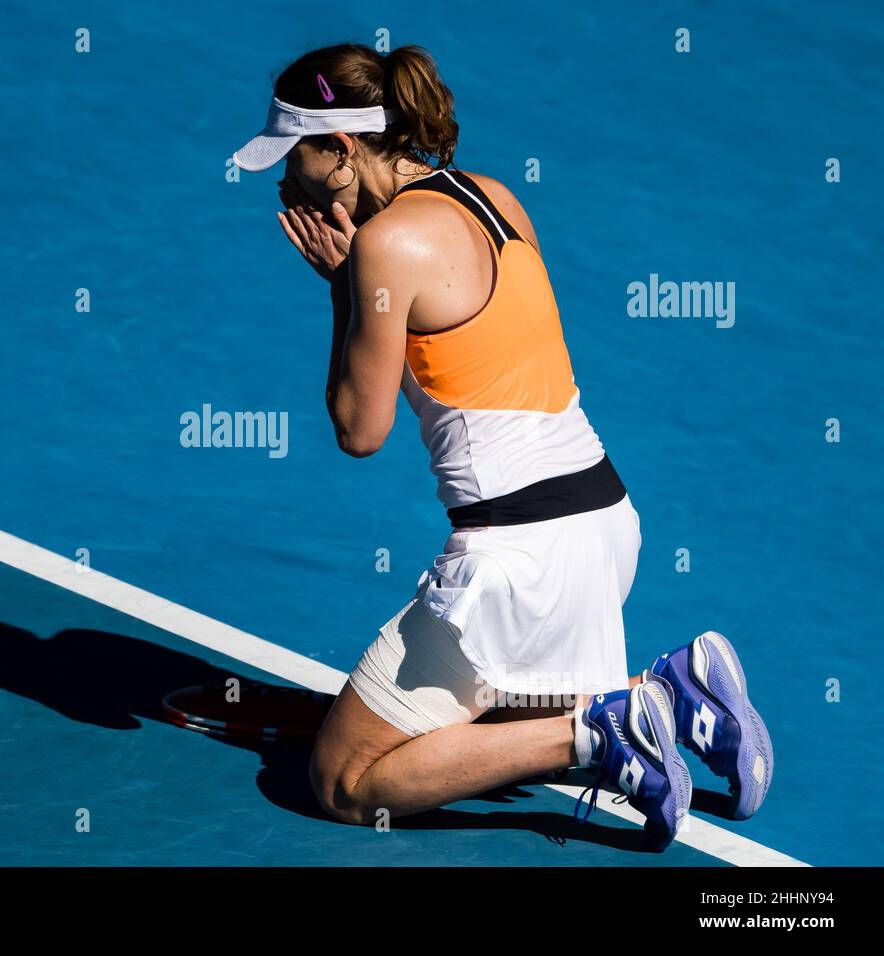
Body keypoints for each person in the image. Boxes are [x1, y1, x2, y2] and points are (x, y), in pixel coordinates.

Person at [230, 43, 772, 848]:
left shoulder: (385, 249)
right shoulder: (493, 197)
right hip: (603, 520)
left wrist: (346, 293)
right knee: (490, 710)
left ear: (341, 152)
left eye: (296, 157)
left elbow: (359, 431)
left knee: (344, 782)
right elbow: (476, 355)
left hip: (517, 562)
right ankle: (682, 690)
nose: (285, 181)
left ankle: (603, 730)